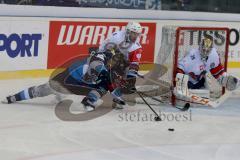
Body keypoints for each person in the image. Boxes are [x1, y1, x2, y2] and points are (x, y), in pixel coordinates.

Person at [2, 51, 129, 112]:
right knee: (42, 90)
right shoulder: (102, 58)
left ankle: (88, 102)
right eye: (115, 60)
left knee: (104, 85)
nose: (115, 63)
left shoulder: (109, 69)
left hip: (71, 81)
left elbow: (111, 86)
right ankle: (13, 98)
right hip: (68, 79)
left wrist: (119, 98)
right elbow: (96, 63)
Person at [99, 21, 143, 93]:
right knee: (108, 77)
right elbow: (104, 49)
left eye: (137, 34)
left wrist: (130, 80)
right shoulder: (116, 37)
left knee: (124, 86)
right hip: (111, 59)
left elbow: (134, 65)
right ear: (128, 32)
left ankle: (116, 93)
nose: (135, 36)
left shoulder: (137, 47)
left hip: (124, 64)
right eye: (134, 33)